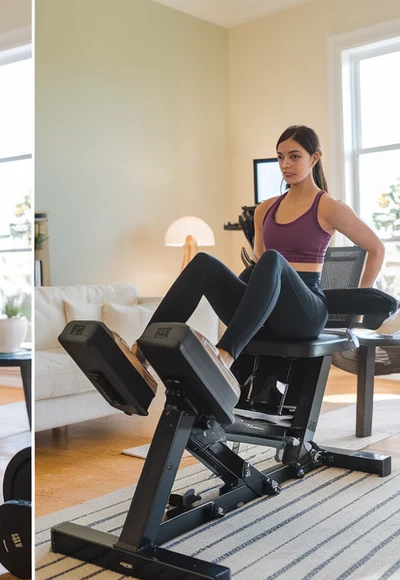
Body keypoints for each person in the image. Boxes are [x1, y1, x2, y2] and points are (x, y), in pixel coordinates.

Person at [129, 125, 385, 388]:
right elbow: (258, 267)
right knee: (204, 263)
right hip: (265, 312)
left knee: (272, 259)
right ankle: (144, 350)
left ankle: (226, 354)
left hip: (304, 315)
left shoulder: (329, 207)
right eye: (280, 157)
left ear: (314, 158)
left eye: (295, 156)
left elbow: (376, 249)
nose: (286, 164)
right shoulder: (265, 209)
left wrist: (358, 307)